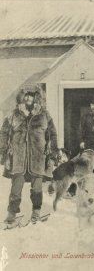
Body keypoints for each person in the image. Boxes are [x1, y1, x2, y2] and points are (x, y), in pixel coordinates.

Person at [0, 84, 57, 225]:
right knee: (16, 188)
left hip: (38, 158)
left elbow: (52, 135)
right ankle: (11, 213)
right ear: (22, 98)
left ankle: (36, 211)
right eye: (26, 96)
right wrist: (4, 151)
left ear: (37, 97)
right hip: (18, 158)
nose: (29, 98)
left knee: (37, 188)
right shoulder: (14, 114)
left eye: (32, 96)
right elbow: (4, 133)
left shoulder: (44, 115)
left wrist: (52, 154)